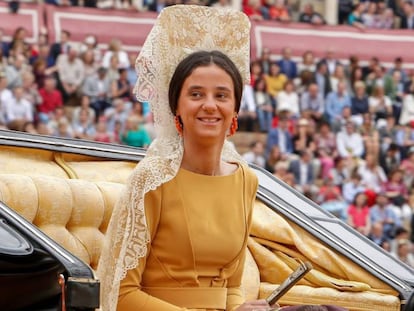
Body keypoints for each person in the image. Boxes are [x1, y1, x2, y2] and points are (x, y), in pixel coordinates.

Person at [97, 6, 275, 311]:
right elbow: (121, 294)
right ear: (176, 108)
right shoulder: (152, 179)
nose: (209, 105)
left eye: (221, 95)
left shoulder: (246, 179)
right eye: (196, 94)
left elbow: (231, 286)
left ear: (235, 111)